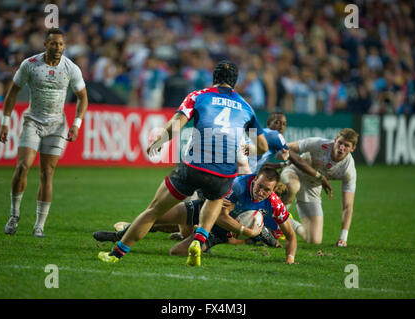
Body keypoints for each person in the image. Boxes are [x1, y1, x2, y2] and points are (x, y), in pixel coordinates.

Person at [98, 60, 268, 266]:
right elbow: (263, 147)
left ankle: (116, 254)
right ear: (235, 82)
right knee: (214, 198)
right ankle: (198, 239)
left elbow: (175, 125)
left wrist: (158, 142)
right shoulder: (246, 107)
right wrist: (245, 149)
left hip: (194, 166)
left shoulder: (199, 96)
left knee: (153, 211)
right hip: (224, 172)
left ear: (214, 78)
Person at [94, 166, 297, 264]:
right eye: (259, 186)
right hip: (205, 210)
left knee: (176, 252)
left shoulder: (274, 204)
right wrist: (247, 231)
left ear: (273, 190)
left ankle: (201, 245)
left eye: (266, 190)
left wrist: (290, 258)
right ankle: (117, 237)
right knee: (157, 215)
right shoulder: (238, 185)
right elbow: (217, 215)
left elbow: (291, 236)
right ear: (255, 179)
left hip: (219, 234)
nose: (260, 192)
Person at [0, 28, 88, 238]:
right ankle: (14, 214)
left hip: (57, 126)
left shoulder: (70, 68)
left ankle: (39, 225)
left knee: (47, 174)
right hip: (33, 122)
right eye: (53, 44)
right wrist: (5, 122)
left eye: (61, 44)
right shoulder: (30, 65)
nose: (57, 48)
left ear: (64, 46)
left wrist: (77, 124)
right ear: (45, 45)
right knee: (22, 166)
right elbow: (12, 93)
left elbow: (83, 97)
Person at [280, 128, 358, 247]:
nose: (341, 147)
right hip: (295, 173)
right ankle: (274, 219)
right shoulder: (320, 144)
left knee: (314, 240)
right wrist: (285, 161)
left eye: (346, 145)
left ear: (353, 149)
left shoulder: (349, 170)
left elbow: (348, 206)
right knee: (293, 186)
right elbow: (286, 147)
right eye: (340, 143)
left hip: (313, 187)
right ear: (335, 140)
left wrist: (343, 237)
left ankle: (285, 219)